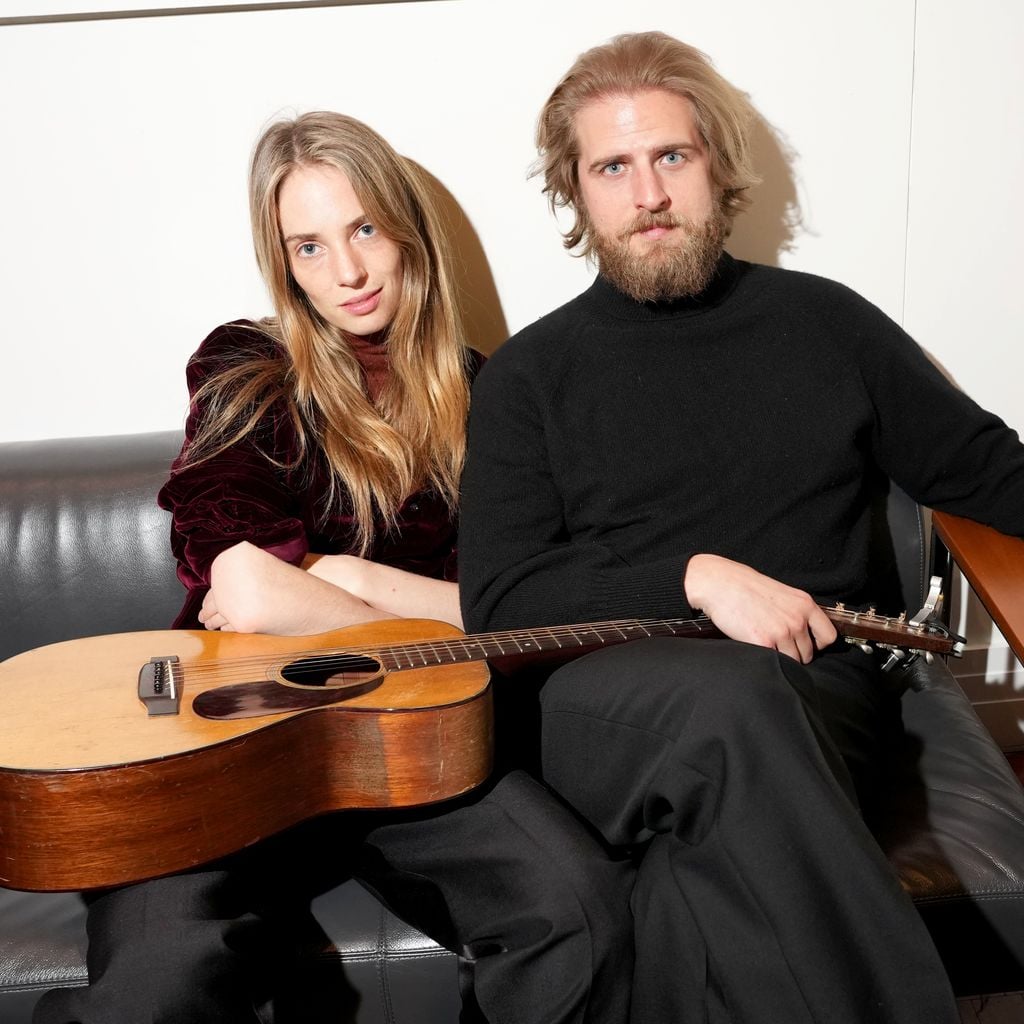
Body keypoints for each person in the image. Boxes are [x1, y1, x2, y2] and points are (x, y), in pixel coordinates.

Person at [457, 31, 1024, 1024]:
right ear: (576, 191)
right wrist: (694, 577)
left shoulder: (827, 326)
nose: (648, 193)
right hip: (603, 704)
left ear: (716, 167)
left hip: (814, 690)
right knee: (728, 703)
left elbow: (984, 469)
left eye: (671, 155)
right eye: (613, 167)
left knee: (697, 883)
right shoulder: (528, 378)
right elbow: (499, 600)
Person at [34, 111, 632, 1024]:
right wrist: (428, 621)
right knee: (161, 979)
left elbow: (509, 611)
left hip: (413, 757)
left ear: (403, 228)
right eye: (307, 247)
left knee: (578, 909)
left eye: (361, 230)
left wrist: (346, 579)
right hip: (234, 739)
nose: (346, 273)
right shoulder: (250, 365)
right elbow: (236, 576)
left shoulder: (492, 394)